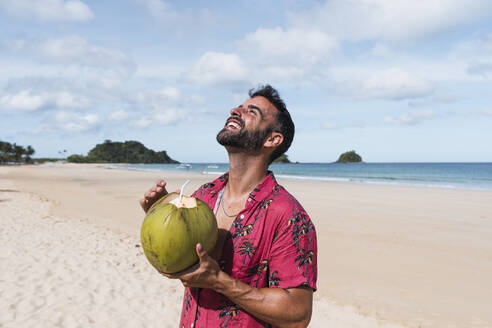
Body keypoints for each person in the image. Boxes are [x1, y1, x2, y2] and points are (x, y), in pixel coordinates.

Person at [140, 85, 317, 328]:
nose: (235, 110)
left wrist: (219, 281)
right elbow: (180, 262)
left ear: (272, 139)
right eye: (239, 107)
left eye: (251, 112)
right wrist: (156, 217)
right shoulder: (203, 197)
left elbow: (298, 314)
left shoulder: (288, 216)